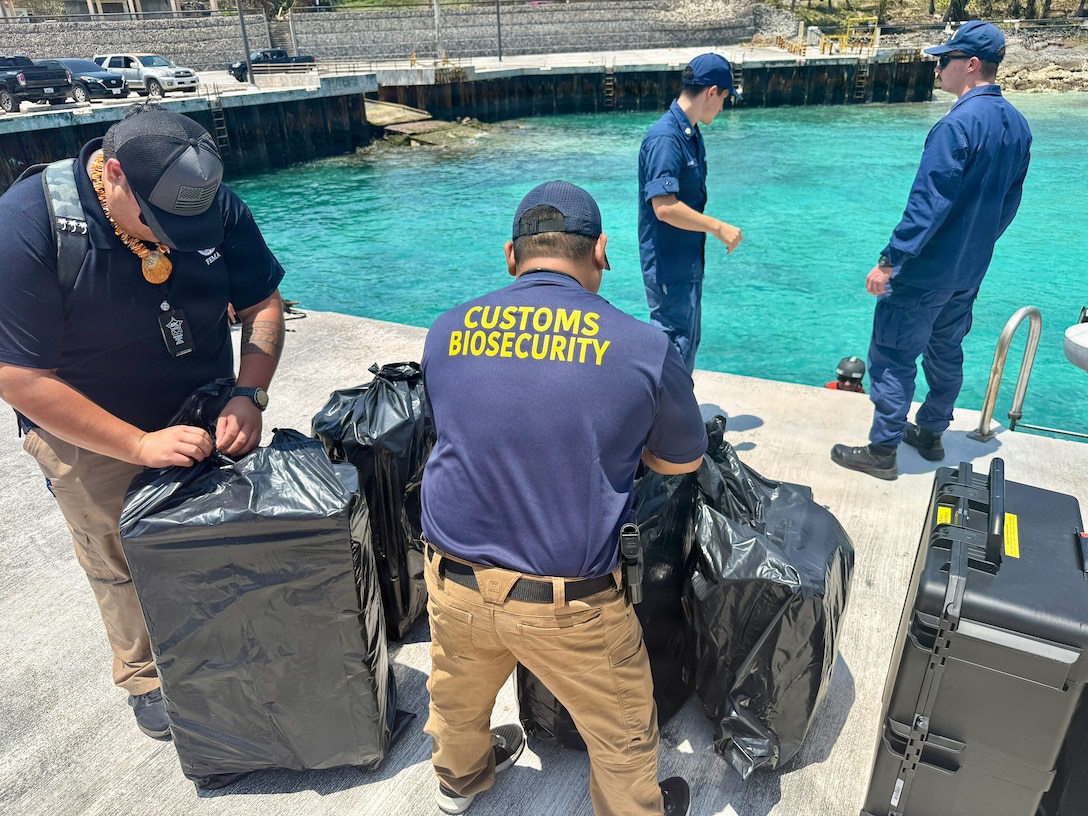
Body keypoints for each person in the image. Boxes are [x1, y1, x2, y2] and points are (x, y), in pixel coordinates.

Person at [420, 180, 707, 816]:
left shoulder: (444, 331)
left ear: (511, 256)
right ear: (601, 250)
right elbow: (681, 459)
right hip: (567, 603)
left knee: (456, 697)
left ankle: (459, 781)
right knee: (623, 729)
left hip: (452, 579)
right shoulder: (643, 346)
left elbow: (460, 426)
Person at [0, 103, 286, 739]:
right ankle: (146, 672)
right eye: (161, 226)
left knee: (219, 530)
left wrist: (250, 393)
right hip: (90, 427)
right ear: (116, 176)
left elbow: (263, 302)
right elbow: (18, 377)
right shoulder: (28, 225)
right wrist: (136, 443)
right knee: (117, 553)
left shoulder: (214, 204)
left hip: (207, 403)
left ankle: (228, 634)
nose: (176, 240)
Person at [831, 21, 1031, 481]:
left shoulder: (955, 126)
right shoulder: (1018, 126)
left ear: (971, 65)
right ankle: (932, 433)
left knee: (893, 355)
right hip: (968, 271)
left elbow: (927, 203)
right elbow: (1008, 205)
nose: (938, 68)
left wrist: (889, 261)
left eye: (946, 60)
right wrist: (975, 247)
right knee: (946, 352)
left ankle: (882, 451)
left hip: (924, 273)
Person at [638, 52, 743, 373]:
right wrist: (717, 227)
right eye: (725, 97)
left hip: (686, 264)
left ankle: (676, 420)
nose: (724, 106)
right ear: (711, 92)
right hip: (670, 266)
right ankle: (662, 422)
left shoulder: (690, 134)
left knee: (686, 345)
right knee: (673, 348)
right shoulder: (667, 138)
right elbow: (664, 207)